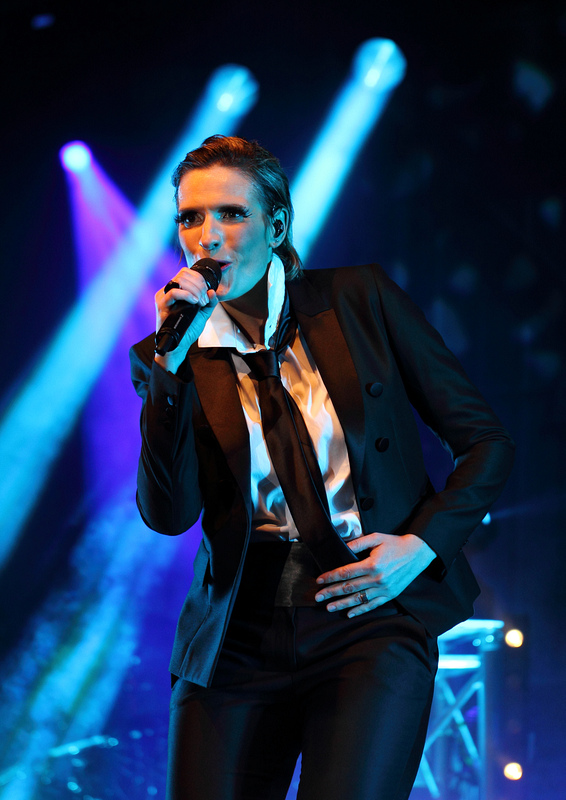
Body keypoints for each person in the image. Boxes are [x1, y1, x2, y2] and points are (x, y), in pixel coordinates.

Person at [130, 134, 514, 800]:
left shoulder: (359, 300)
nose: (207, 236)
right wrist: (171, 372)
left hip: (369, 610)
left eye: (231, 214)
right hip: (238, 627)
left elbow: (486, 441)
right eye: (190, 218)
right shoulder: (167, 356)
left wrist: (421, 545)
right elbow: (168, 515)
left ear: (276, 226)